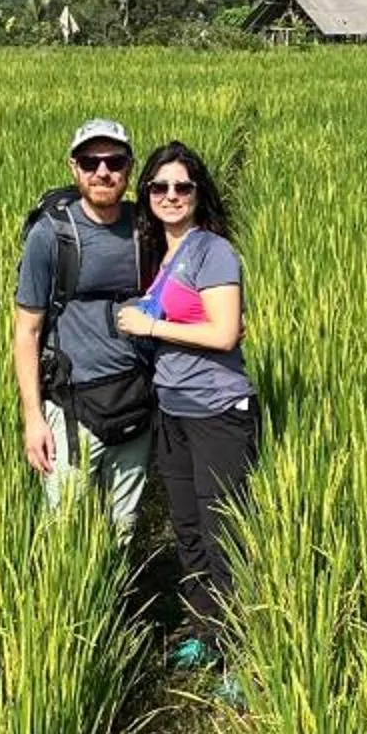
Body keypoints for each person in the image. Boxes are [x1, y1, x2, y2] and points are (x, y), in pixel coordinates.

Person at [115, 140, 256, 681]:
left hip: (216, 410)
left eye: (182, 186)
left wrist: (150, 325)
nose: (171, 195)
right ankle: (205, 633)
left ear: (199, 194)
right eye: (160, 186)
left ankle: (238, 657)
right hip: (172, 408)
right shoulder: (163, 253)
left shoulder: (211, 251)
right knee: (188, 527)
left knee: (222, 531)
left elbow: (224, 334)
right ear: (147, 192)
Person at [14, 117, 154, 540]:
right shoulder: (51, 235)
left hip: (135, 399)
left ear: (129, 168)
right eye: (90, 162)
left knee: (123, 528)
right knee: (64, 532)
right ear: (73, 168)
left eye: (114, 162)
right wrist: (33, 418)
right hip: (72, 406)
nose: (102, 172)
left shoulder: (146, 228)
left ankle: (115, 586)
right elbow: (27, 331)